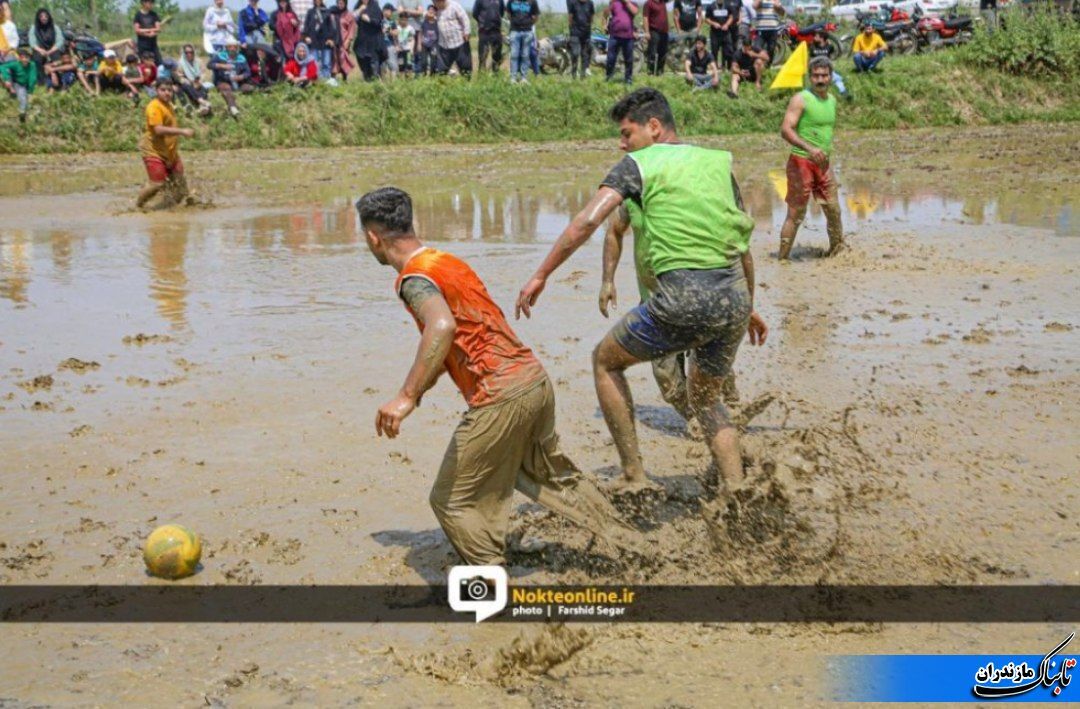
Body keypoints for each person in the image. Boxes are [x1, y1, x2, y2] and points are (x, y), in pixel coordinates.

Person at [357, 186, 641, 567]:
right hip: (533, 381)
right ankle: (637, 546)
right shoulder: (447, 262)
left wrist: (407, 396)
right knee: (547, 477)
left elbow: (440, 328)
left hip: (501, 393)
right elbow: (460, 339)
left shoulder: (414, 278)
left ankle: (492, 589)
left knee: (451, 500)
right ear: (412, 223)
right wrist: (419, 391)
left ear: (373, 237)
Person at [515, 88, 767, 495]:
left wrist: (542, 273)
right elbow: (742, 246)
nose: (622, 143)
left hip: (683, 295)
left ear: (653, 127)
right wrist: (748, 305)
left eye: (626, 133)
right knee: (705, 398)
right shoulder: (716, 163)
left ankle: (634, 474)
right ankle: (737, 490)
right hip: (733, 295)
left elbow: (586, 221)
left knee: (604, 361)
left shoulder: (638, 164)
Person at [778, 55, 843, 259]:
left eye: (824, 75)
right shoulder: (801, 99)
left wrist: (821, 152)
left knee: (833, 209)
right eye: (816, 76)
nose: (820, 79)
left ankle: (837, 253)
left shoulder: (832, 100)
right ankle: (782, 259)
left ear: (831, 77)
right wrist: (809, 149)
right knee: (796, 213)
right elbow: (786, 130)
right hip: (801, 161)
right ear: (810, 78)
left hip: (823, 163)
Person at [136, 78, 195, 209]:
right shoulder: (154, 106)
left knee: (180, 187)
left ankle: (166, 208)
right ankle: (138, 206)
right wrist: (182, 131)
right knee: (157, 184)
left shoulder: (168, 105)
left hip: (170, 152)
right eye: (163, 90)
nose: (167, 93)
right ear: (156, 91)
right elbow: (158, 129)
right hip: (154, 151)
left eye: (169, 90)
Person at [208, 38, 254, 117]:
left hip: (238, 82)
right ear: (226, 48)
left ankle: (235, 92)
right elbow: (209, 65)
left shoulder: (241, 58)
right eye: (230, 47)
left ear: (237, 48)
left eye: (234, 47)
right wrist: (222, 66)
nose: (232, 49)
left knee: (249, 88)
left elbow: (248, 72)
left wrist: (241, 77)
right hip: (223, 80)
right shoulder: (220, 56)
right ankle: (233, 107)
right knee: (226, 88)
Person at [603, 0, 637, 85]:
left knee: (628, 59)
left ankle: (628, 78)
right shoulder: (614, 3)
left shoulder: (632, 3)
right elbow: (605, 13)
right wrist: (604, 24)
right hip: (614, 36)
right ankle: (609, 76)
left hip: (628, 36)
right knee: (611, 58)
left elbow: (635, 11)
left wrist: (627, 2)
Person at [433, 0, 471, 77]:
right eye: (433, 2)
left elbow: (465, 19)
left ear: (442, 1)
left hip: (459, 42)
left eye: (436, 2)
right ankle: (442, 86)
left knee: (465, 68)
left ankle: (467, 85)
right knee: (441, 70)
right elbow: (426, 15)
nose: (435, 4)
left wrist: (466, 32)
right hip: (444, 45)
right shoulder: (436, 10)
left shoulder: (454, 6)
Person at [809, 29, 848, 100]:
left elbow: (834, 55)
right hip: (816, 69)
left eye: (816, 36)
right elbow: (810, 59)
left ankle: (843, 92)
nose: (814, 38)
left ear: (822, 38)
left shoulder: (830, 47)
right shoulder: (812, 47)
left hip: (826, 69)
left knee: (837, 79)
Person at [28, 8, 64, 84]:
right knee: (37, 58)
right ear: (38, 18)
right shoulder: (33, 28)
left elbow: (60, 41)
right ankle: (42, 80)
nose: (44, 18)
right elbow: (32, 43)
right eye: (41, 16)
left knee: (56, 58)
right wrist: (41, 50)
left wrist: (50, 51)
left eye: (45, 16)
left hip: (53, 48)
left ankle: (58, 78)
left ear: (48, 17)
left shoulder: (55, 27)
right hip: (39, 49)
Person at [506, 0, 538, 83]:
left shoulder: (532, 1)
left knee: (525, 55)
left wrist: (528, 24)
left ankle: (524, 78)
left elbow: (535, 16)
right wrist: (515, 23)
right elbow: (508, 15)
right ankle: (513, 78)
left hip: (527, 32)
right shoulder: (511, 1)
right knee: (514, 55)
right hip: (514, 31)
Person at [1, 48, 36, 123]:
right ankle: (22, 113)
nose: (25, 60)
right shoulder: (15, 64)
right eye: (23, 58)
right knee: (22, 97)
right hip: (18, 83)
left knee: (26, 97)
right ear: (19, 58)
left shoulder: (32, 65)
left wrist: (30, 91)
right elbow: (2, 67)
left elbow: (32, 78)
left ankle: (24, 110)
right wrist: (6, 79)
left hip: (26, 83)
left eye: (27, 58)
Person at [176, 43, 213, 115]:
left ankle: (202, 107)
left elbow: (203, 73)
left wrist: (200, 81)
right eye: (187, 52)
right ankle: (202, 102)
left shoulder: (198, 61)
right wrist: (189, 81)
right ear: (184, 53)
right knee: (188, 86)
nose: (189, 54)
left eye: (191, 52)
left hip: (198, 81)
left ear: (194, 52)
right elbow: (180, 77)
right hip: (187, 83)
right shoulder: (180, 63)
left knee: (202, 88)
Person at [303, 0, 336, 78]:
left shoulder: (327, 11)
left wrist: (331, 39)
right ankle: (316, 81)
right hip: (313, 41)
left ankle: (326, 82)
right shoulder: (310, 12)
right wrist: (306, 36)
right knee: (314, 63)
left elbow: (331, 26)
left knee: (326, 63)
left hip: (325, 41)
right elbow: (306, 26)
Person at [355, 0, 386, 79]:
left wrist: (369, 20)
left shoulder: (375, 6)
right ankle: (367, 83)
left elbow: (380, 23)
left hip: (374, 41)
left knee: (374, 64)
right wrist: (359, 10)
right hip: (362, 41)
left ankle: (375, 83)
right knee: (364, 63)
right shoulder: (358, 6)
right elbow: (353, 19)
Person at [704, 0, 739, 69]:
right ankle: (715, 68)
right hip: (715, 33)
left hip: (726, 32)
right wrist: (713, 23)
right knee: (714, 51)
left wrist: (727, 24)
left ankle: (729, 68)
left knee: (729, 51)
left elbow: (732, 16)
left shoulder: (728, 5)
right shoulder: (710, 6)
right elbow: (706, 19)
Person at [472, 0, 503, 73]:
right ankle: (482, 77)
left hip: (496, 31)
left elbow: (501, 13)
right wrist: (482, 22)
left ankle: (496, 76)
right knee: (482, 56)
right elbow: (475, 14)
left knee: (497, 57)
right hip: (484, 32)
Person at [566, 0, 594, 80]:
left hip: (586, 33)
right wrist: (572, 29)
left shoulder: (590, 3)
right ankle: (574, 73)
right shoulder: (573, 3)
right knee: (575, 53)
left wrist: (587, 26)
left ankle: (583, 75)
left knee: (584, 55)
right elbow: (570, 18)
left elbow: (591, 17)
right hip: (575, 33)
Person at [642, 0, 669, 76]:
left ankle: (659, 72)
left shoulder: (662, 2)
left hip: (664, 32)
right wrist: (647, 32)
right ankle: (650, 72)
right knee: (652, 53)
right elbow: (645, 17)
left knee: (663, 53)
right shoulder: (648, 3)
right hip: (654, 31)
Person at [331, 0, 357, 78]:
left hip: (344, 41)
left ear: (345, 4)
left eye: (342, 3)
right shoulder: (333, 13)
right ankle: (333, 79)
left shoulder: (349, 15)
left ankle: (344, 79)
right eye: (338, 3)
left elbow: (351, 29)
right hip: (334, 41)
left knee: (343, 60)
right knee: (334, 60)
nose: (340, 5)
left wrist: (348, 40)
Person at [133, 0, 163, 65]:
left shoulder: (154, 14)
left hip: (153, 43)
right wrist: (149, 32)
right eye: (150, 2)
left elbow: (158, 28)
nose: (151, 4)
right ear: (144, 3)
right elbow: (137, 30)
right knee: (144, 63)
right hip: (142, 44)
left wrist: (153, 33)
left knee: (159, 62)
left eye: (152, 2)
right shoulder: (138, 15)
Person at [413, 3, 439, 75]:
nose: (431, 11)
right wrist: (418, 44)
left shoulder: (438, 23)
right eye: (429, 10)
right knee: (423, 62)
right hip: (424, 44)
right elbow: (420, 33)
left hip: (434, 45)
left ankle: (432, 77)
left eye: (433, 10)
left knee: (433, 62)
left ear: (436, 12)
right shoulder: (424, 22)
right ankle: (424, 77)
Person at [381, 3, 399, 76]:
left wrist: (388, 30)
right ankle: (383, 85)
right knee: (382, 67)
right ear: (386, 11)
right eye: (391, 11)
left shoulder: (392, 22)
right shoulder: (379, 20)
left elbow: (396, 33)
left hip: (390, 46)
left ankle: (393, 85)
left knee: (393, 66)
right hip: (381, 46)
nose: (392, 13)